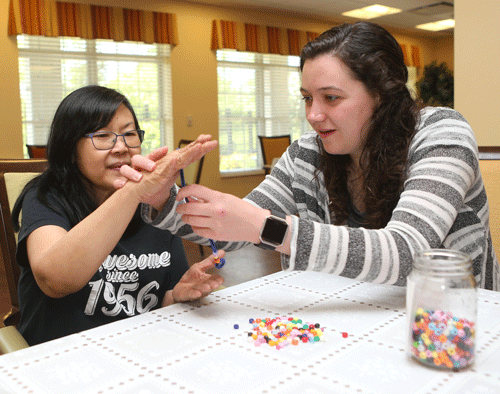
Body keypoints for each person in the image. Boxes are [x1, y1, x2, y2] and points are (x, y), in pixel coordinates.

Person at [124, 22, 499, 291]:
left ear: (382, 95)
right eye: (307, 97)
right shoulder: (307, 152)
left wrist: (265, 226)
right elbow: (233, 230)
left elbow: (406, 254)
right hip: (353, 322)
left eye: (331, 97)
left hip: (451, 328)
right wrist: (162, 197)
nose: (313, 114)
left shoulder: (441, 134)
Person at [12, 85, 224, 346]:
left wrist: (177, 296)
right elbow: (55, 280)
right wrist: (134, 191)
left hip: (138, 351)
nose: (122, 147)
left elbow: (158, 300)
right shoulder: (45, 197)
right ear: (70, 145)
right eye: (102, 136)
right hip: (64, 359)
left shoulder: (155, 204)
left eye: (130, 134)